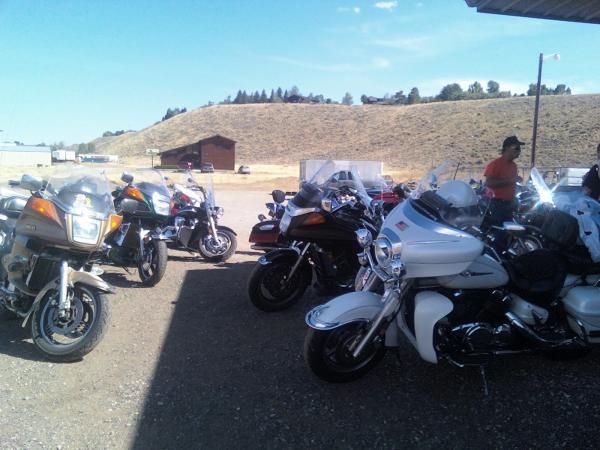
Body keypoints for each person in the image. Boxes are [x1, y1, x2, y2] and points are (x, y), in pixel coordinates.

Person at [483, 135, 524, 226]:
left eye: (519, 149)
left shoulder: (513, 166)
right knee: (499, 231)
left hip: (510, 204)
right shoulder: (495, 164)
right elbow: (489, 183)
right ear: (507, 148)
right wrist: (511, 180)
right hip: (497, 204)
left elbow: (511, 182)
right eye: (516, 148)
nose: (519, 151)